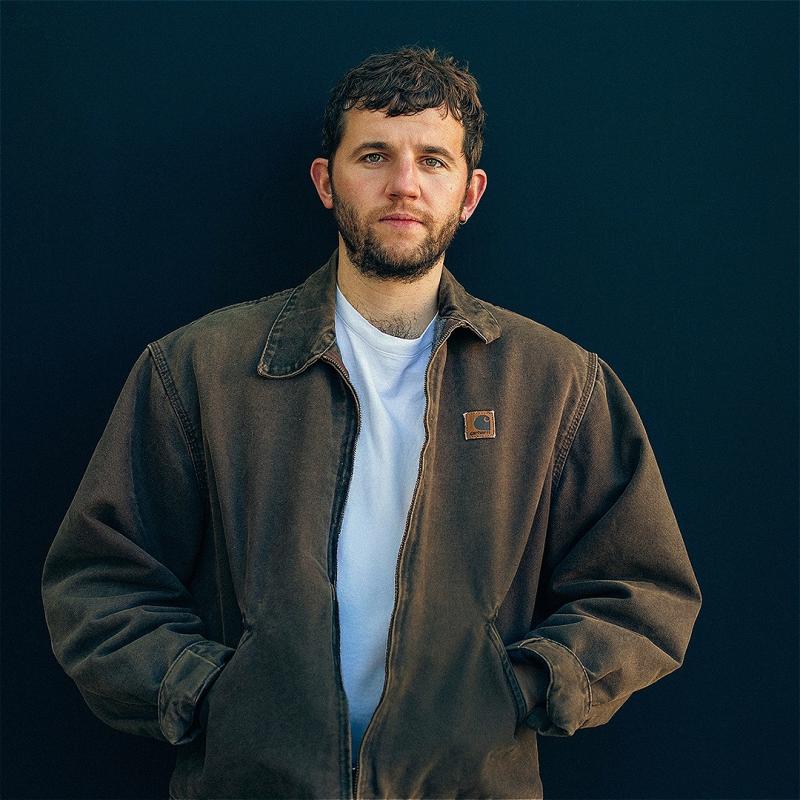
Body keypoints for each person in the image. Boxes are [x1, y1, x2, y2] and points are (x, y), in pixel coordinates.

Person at [41, 45, 702, 800]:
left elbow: (644, 589)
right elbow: (97, 580)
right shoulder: (199, 368)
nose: (404, 185)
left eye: (433, 161)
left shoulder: (554, 382)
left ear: (471, 193)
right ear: (327, 181)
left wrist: (522, 686)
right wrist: (207, 693)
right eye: (375, 155)